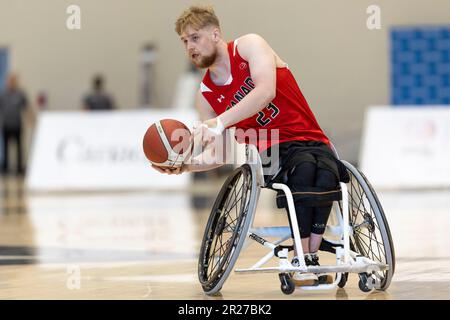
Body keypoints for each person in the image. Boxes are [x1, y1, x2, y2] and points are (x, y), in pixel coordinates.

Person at [152, 5, 349, 286]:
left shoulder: (249, 46)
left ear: (216, 34)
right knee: (304, 172)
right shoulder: (206, 96)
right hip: (271, 151)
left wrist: (220, 122)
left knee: (327, 174)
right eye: (184, 42)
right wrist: (185, 166)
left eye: (194, 37)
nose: (189, 47)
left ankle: (307, 254)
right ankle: (303, 258)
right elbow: (220, 154)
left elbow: (265, 92)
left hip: (310, 136)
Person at [0, 73, 29, 176]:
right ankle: (6, 167)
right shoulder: (3, 94)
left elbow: (27, 108)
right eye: (10, 80)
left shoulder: (21, 94)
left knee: (19, 148)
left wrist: (31, 120)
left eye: (13, 80)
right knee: (6, 148)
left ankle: (19, 168)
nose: (11, 82)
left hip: (17, 125)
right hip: (6, 125)